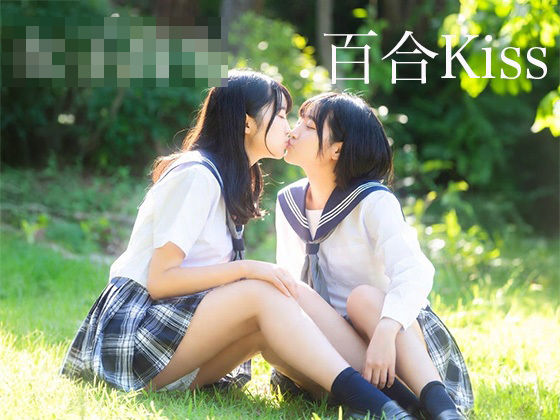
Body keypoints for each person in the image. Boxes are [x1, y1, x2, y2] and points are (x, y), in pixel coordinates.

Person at [60, 71, 414, 419]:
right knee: (262, 290)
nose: (289, 128)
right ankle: (379, 406)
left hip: (173, 339)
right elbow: (160, 280)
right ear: (247, 123)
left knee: (285, 294)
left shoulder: (231, 180)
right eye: (280, 115)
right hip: (133, 335)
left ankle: (407, 402)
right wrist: (246, 269)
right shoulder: (197, 174)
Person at [274, 92, 474, 420]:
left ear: (337, 149)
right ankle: (406, 409)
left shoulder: (372, 201)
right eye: (298, 122)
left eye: (308, 127)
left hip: (400, 341)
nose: (293, 132)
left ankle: (443, 410)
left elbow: (415, 272)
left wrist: (385, 330)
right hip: (339, 344)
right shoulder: (289, 202)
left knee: (363, 299)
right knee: (290, 291)